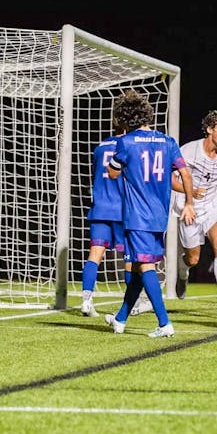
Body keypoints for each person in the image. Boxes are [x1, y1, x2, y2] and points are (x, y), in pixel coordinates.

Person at [104, 89, 195, 338]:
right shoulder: (168, 141)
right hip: (159, 214)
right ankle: (121, 319)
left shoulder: (126, 142)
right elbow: (185, 174)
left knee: (144, 266)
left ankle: (164, 323)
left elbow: (112, 173)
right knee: (138, 266)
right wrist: (188, 202)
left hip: (137, 215)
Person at [172, 110, 217, 314]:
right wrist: (189, 191)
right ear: (209, 129)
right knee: (193, 258)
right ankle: (183, 273)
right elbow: (171, 179)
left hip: (214, 204)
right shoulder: (188, 151)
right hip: (188, 206)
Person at [80, 121, 134, 318]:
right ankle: (132, 303)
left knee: (95, 254)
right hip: (122, 209)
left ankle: (86, 301)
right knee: (129, 257)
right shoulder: (128, 146)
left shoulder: (99, 147)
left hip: (100, 207)